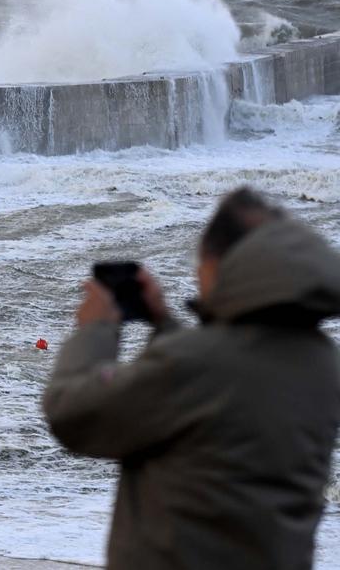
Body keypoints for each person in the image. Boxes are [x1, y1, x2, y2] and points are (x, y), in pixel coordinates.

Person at [43, 188, 340, 569]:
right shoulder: (322, 362)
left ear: (225, 266)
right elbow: (216, 398)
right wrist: (164, 325)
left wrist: (96, 331)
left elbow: (72, 413)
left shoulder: (197, 363)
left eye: (201, 261)